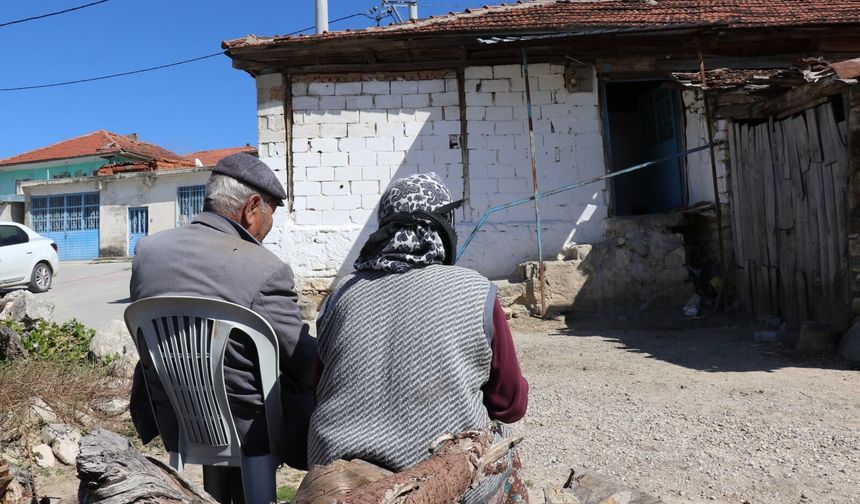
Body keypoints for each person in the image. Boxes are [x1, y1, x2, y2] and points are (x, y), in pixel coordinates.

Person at [308, 173, 529, 504]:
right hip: (440, 477)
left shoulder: (342, 292)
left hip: (338, 475)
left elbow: (320, 384)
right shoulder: (477, 290)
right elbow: (509, 404)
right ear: (444, 226)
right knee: (503, 446)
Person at [128, 153, 317, 499]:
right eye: (270, 214)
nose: (269, 227)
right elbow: (303, 364)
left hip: (178, 421)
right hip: (251, 432)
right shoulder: (265, 268)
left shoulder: (147, 252)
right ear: (252, 207)